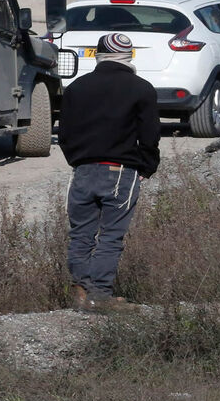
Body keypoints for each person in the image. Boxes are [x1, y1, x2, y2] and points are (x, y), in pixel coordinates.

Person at [57, 33, 160, 312]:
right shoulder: (141, 88)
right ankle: (100, 296)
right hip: (120, 171)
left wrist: (76, 160)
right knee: (111, 236)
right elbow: (149, 136)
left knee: (81, 235)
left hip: (82, 170)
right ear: (129, 57)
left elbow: (63, 133)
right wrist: (147, 166)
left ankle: (80, 292)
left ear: (98, 55)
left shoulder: (76, 87)